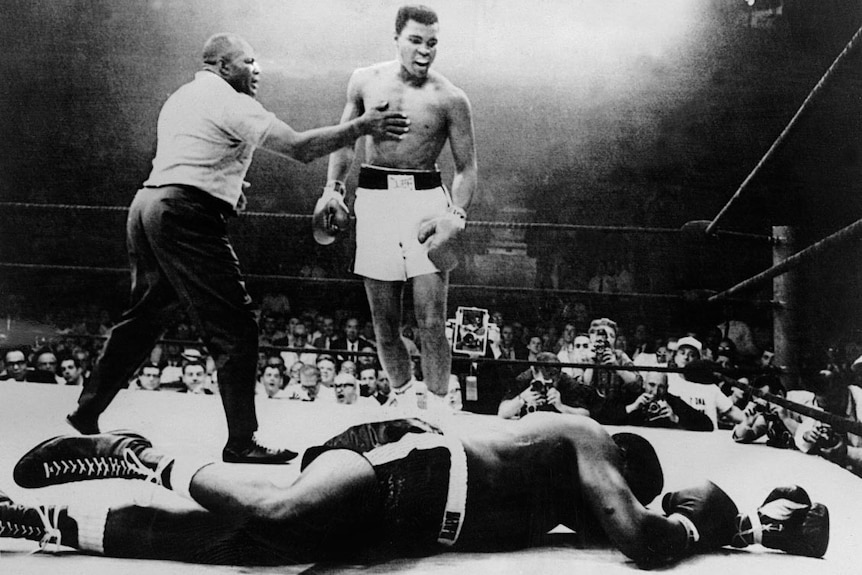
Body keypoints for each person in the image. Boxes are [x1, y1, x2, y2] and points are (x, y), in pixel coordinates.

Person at [64, 33, 409, 464]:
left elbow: (195, 155)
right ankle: (241, 441)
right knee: (237, 326)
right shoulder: (231, 101)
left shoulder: (182, 97)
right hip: (183, 215)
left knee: (145, 317)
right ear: (224, 67)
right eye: (249, 61)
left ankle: (86, 410)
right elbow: (300, 149)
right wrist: (362, 126)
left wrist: (226, 188)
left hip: (149, 205)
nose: (257, 69)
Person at [2, 414, 830, 566]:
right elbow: (645, 541)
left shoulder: (554, 502)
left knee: (227, 545)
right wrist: (692, 527)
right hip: (415, 462)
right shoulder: (586, 439)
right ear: (621, 462)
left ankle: (39, 520)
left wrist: (751, 527)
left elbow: (618, 528)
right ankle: (135, 452)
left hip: (411, 514)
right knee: (280, 512)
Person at [323, 5, 478, 405]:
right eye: (415, 40)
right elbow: (346, 139)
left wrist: (454, 215)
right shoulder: (364, 81)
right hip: (375, 200)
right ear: (396, 39)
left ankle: (441, 409)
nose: (424, 51)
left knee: (431, 321)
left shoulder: (452, 98)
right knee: (384, 322)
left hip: (426, 204)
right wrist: (332, 189)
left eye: (432, 43)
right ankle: (403, 401)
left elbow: (467, 167)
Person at [498, 353, 595, 420]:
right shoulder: (524, 379)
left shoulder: (566, 382)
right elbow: (502, 412)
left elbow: (585, 415)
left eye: (551, 382)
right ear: (534, 373)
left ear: (559, 375)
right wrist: (522, 399)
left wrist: (561, 407)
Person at [626, 372, 714, 432]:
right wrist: (631, 407)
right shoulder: (633, 398)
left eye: (661, 387)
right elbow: (612, 416)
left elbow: (707, 424)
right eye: (651, 385)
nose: (656, 391)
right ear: (644, 384)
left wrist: (676, 418)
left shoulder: (673, 402)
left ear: (667, 388)